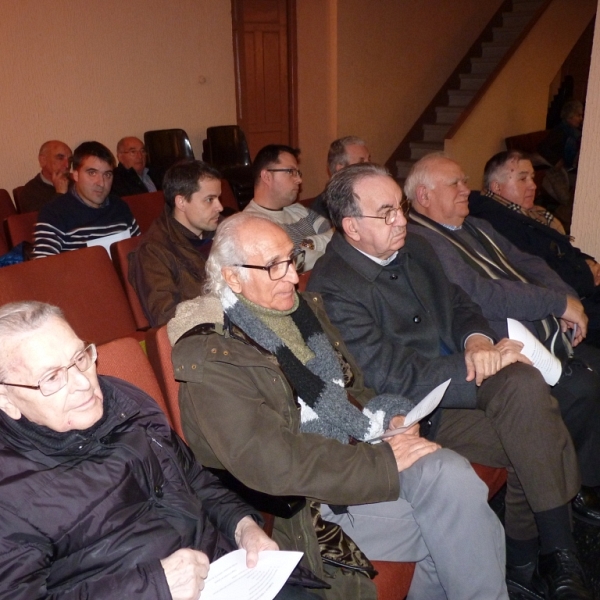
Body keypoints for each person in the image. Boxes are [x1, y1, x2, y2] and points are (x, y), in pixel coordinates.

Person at [168, 212, 509, 600]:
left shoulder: (303, 311)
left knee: (451, 472)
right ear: (233, 277)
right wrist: (384, 461)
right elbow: (271, 461)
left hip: (355, 458)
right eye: (274, 266)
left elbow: (354, 391)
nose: (294, 277)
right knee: (460, 518)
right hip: (306, 505)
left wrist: (387, 415)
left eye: (291, 260)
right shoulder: (215, 356)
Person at [307, 163, 592, 599]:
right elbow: (390, 375)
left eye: (399, 208)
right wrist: (481, 361)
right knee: (531, 410)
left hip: (462, 383)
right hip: (415, 413)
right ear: (352, 227)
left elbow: (461, 303)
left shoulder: (416, 247)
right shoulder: (334, 285)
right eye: (386, 213)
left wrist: (478, 339)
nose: (400, 219)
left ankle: (532, 560)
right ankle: (544, 556)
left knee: (527, 401)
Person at [0, 300, 319, 600]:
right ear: (7, 400)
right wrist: (153, 587)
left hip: (228, 572)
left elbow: (192, 477)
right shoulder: (9, 494)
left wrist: (243, 526)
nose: (84, 384)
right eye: (52, 377)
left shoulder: (123, 401)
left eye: (80, 358)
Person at [405, 153, 600, 528]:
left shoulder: (476, 226)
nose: (467, 190)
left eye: (465, 181)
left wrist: (567, 301)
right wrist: (557, 302)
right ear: (425, 196)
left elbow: (531, 263)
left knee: (592, 367)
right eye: (456, 184)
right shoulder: (424, 241)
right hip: (496, 335)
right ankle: (569, 488)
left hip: (535, 321)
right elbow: (483, 296)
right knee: (583, 385)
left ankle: (575, 479)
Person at [470, 150, 600, 347]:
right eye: (523, 179)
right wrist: (586, 274)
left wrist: (590, 262)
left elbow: (563, 248)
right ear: (496, 187)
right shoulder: (496, 222)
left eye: (531, 177)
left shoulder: (533, 215)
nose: (533, 185)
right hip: (562, 303)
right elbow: (535, 271)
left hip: (579, 287)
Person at [130, 160, 223, 327]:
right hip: (206, 337)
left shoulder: (225, 230)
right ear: (181, 202)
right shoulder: (154, 251)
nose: (220, 207)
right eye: (210, 199)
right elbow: (166, 316)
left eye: (218, 198)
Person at [32, 141, 140, 259]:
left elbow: (140, 251)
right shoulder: (54, 213)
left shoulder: (119, 206)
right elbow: (42, 267)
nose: (101, 183)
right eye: (92, 173)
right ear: (76, 175)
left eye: (107, 175)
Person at [244, 144, 333, 270]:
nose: (299, 180)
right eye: (291, 172)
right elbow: (296, 262)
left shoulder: (298, 210)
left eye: (298, 173)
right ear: (267, 176)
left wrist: (311, 243)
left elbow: (337, 235)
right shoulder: (252, 224)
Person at [311, 136, 371, 219]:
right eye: (361, 162)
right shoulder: (324, 208)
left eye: (368, 160)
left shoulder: (370, 194)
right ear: (341, 169)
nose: (370, 166)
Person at [19, 140, 73, 213]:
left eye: (70, 160)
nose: (67, 165)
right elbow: (44, 219)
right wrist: (60, 193)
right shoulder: (29, 191)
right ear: (43, 160)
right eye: (60, 158)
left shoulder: (76, 182)